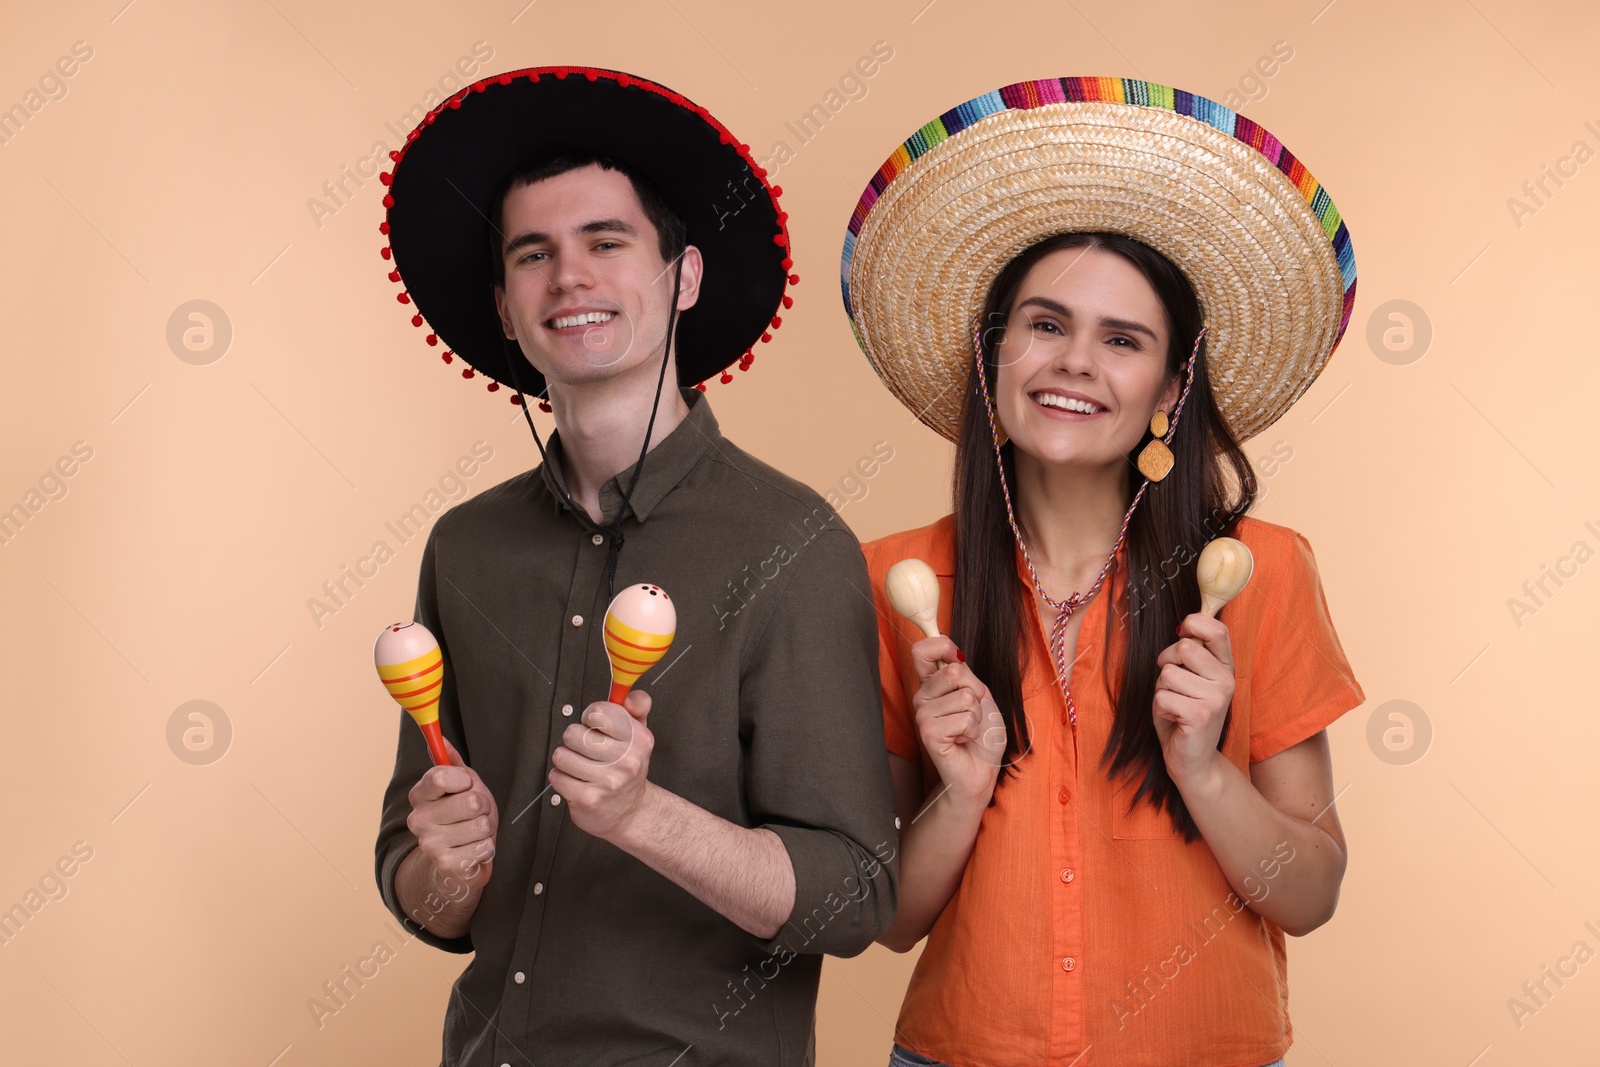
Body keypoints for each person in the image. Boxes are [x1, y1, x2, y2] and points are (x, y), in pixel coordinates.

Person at [372, 65, 898, 1066]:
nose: (569, 278)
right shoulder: (466, 546)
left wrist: (641, 815)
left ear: (683, 276)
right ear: (506, 305)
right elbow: (423, 885)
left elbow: (851, 894)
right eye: (535, 255)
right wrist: (442, 864)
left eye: (606, 242)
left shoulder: (794, 541)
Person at [840, 76, 1366, 1067]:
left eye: (1122, 340)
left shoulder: (1262, 571)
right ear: (995, 353)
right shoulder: (894, 581)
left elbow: (1310, 891)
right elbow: (889, 918)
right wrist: (956, 793)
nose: (1075, 360)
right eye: (1045, 324)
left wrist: (1204, 767)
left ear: (1170, 389)